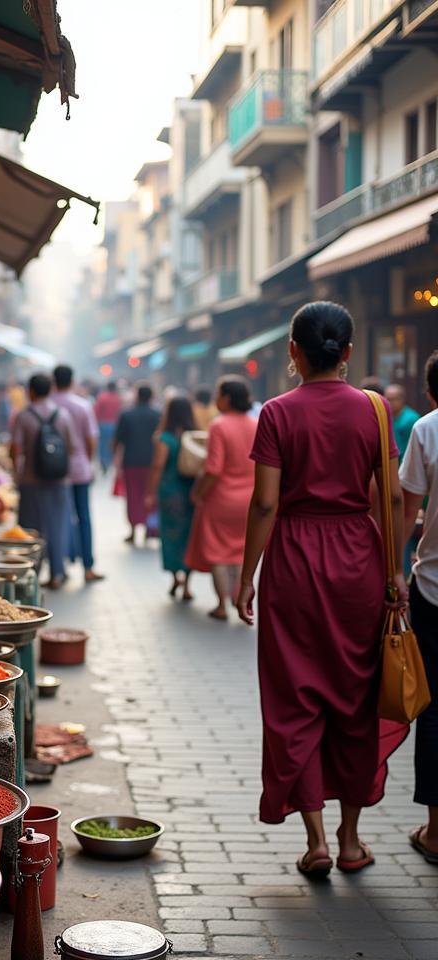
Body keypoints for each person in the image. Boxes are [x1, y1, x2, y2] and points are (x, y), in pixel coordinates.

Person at [237, 301, 409, 877]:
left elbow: (265, 502)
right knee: (355, 700)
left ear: (294, 351)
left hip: (293, 562)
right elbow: (388, 497)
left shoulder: (278, 413)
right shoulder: (376, 410)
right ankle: (352, 839)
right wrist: (394, 570)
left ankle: (313, 839)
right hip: (360, 559)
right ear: (349, 353)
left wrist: (246, 577)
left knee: (295, 701)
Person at [399, 349, 438, 865]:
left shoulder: (427, 429)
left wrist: (392, 571)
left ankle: (435, 832)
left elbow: (405, 509)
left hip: (433, 585)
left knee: (434, 710)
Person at [185, 377, 258, 619]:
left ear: (227, 398)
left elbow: (213, 469)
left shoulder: (219, 425)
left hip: (221, 500)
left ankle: (221, 605)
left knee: (218, 552)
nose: (216, 400)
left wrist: (198, 493)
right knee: (239, 552)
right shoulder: (255, 424)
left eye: (219, 395)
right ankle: (239, 599)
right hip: (249, 500)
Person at [10, 373, 73, 589]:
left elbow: (15, 448)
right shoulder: (63, 415)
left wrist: (16, 471)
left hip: (31, 480)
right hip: (59, 480)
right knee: (57, 525)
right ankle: (57, 572)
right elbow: (72, 447)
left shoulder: (24, 416)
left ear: (32, 391)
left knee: (30, 529)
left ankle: (31, 574)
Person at [52, 364, 103, 582]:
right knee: (84, 516)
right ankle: (88, 567)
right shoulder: (82, 406)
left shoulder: (49, 405)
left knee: (57, 517)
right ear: (72, 381)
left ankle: (58, 568)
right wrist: (87, 461)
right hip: (80, 469)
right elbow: (92, 439)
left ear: (54, 381)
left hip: (53, 471)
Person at [146, 396, 196, 601]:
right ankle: (187, 585)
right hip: (190, 491)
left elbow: (158, 466)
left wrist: (149, 492)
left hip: (170, 491)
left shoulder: (165, 438)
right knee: (189, 535)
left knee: (171, 535)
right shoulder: (194, 436)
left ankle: (176, 577)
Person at [114, 382, 160, 544]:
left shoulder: (127, 415)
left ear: (137, 396)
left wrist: (116, 459)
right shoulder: (158, 414)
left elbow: (118, 440)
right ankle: (149, 529)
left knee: (133, 497)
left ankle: (133, 530)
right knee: (150, 494)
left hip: (131, 461)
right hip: (153, 461)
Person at [94, 380, 122, 473]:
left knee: (102, 444)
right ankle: (109, 462)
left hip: (103, 424)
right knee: (112, 444)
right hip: (115, 425)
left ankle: (103, 462)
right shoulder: (118, 398)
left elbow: (96, 412)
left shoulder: (102, 398)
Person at [386, 384, 420, 458]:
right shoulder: (386, 417)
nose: (390, 402)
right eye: (387, 399)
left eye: (393, 399)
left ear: (402, 399)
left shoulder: (411, 419)